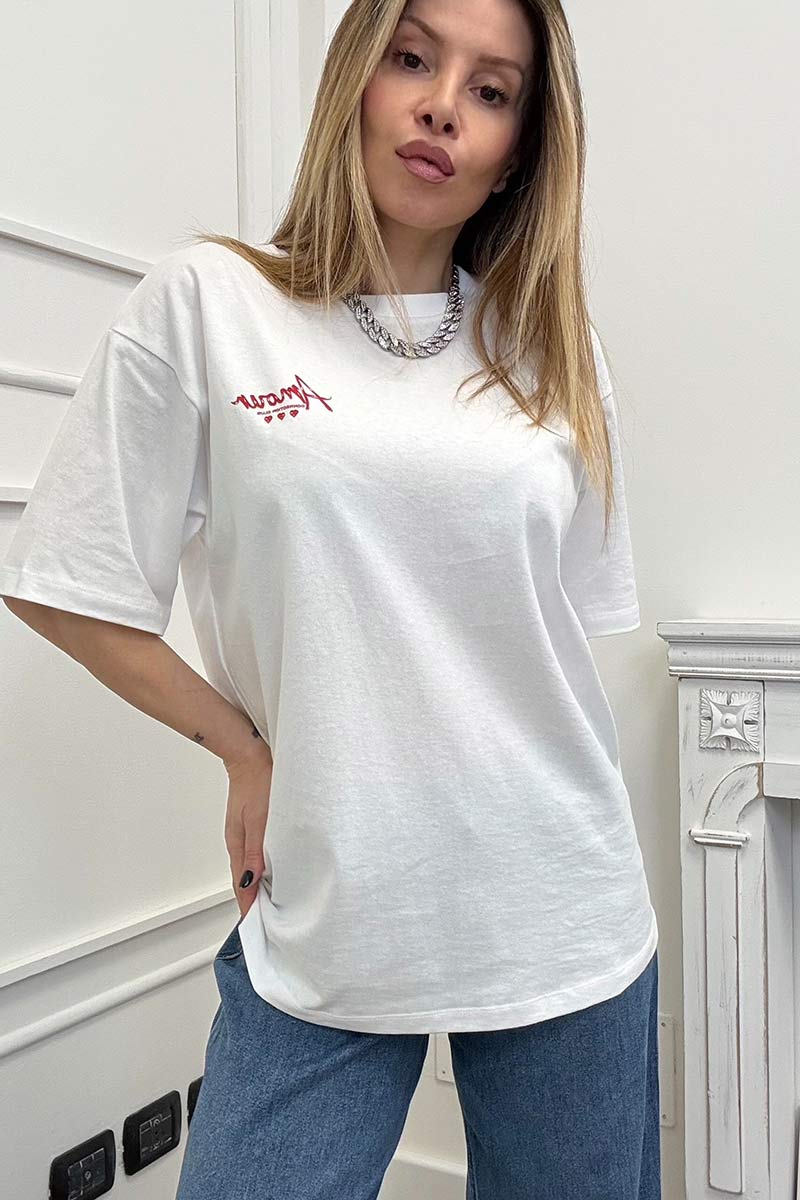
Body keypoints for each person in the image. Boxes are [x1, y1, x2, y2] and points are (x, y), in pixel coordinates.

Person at [1, 0, 661, 1196]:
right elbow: (67, 582)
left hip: (563, 906)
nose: (441, 107)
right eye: (411, 58)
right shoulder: (211, 304)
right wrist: (240, 746)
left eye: (491, 90)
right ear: (355, 75)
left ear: (519, 148)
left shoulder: (554, 351)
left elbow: (550, 638)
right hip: (325, 901)